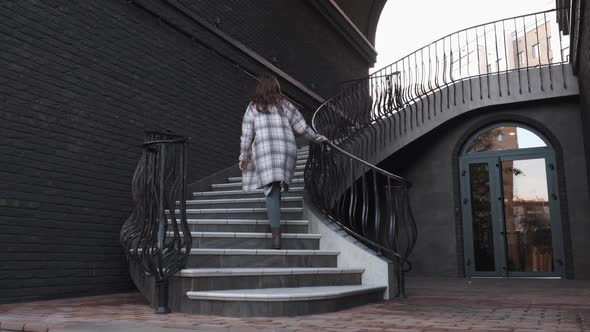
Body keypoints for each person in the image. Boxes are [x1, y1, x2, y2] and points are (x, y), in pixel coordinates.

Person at [238, 74, 328, 249]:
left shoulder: (253, 107)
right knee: (275, 186)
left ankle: (276, 235)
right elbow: (302, 127)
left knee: (271, 189)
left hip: (264, 151)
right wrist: (317, 138)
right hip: (285, 149)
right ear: (276, 88)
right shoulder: (284, 104)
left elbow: (247, 135)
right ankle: (276, 224)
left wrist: (244, 156)